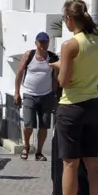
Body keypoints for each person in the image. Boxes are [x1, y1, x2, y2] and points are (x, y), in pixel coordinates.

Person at [48, 0, 98, 195]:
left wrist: (58, 67)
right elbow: (92, 68)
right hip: (93, 105)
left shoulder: (70, 45)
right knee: (92, 164)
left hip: (71, 107)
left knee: (70, 164)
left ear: (70, 19)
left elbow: (65, 81)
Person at [14, 32, 58, 161]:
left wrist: (55, 95)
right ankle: (26, 146)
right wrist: (17, 93)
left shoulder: (53, 58)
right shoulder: (29, 55)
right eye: (41, 42)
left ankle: (39, 152)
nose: (43, 45)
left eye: (45, 42)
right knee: (29, 124)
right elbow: (19, 73)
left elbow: (55, 78)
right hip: (29, 94)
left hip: (47, 95)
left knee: (44, 125)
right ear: (36, 43)